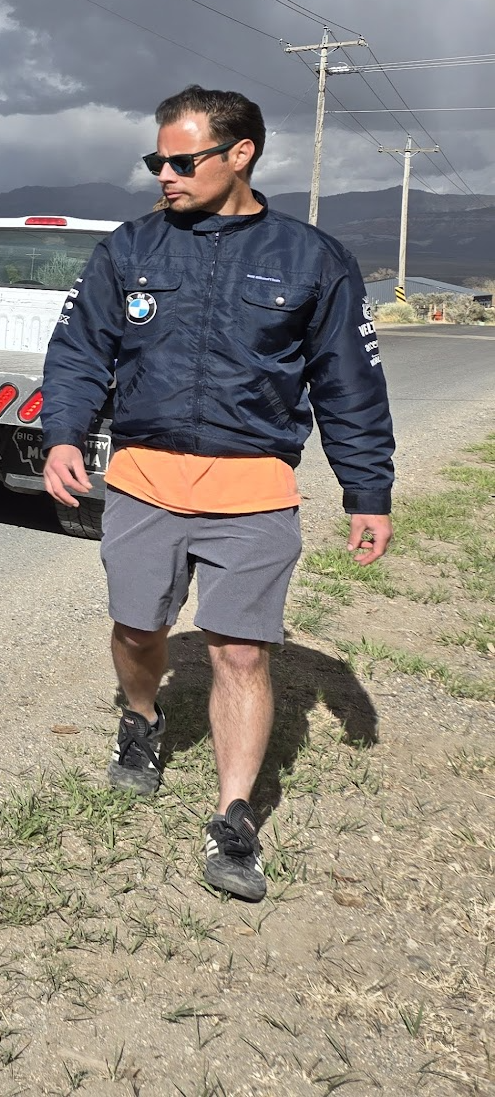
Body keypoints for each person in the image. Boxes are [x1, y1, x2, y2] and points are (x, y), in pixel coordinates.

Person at [39, 85, 393, 901]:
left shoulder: (312, 259)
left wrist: (367, 490)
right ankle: (143, 718)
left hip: (254, 489)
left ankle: (234, 820)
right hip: (145, 481)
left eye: (181, 160)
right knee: (139, 630)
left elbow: (349, 385)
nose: (163, 174)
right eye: (155, 160)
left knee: (240, 651)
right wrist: (63, 434)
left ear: (241, 154)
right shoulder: (130, 249)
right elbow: (80, 352)